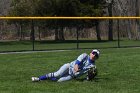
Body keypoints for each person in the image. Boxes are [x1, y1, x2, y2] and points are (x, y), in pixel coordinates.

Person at [31, 49, 100, 82]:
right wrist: (76, 67)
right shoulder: (84, 55)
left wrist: (89, 78)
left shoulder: (92, 66)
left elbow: (88, 77)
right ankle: (39, 78)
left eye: (96, 55)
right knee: (57, 74)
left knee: (59, 81)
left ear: (97, 58)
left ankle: (46, 79)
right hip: (69, 67)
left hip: (72, 75)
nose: (94, 55)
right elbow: (78, 62)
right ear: (91, 53)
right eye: (93, 53)